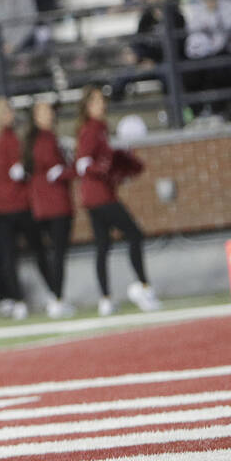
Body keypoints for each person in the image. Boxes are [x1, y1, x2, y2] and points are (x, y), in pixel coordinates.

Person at [74, 87, 160, 316]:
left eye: (102, 101)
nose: (102, 105)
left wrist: (118, 168)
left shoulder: (99, 129)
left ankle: (105, 298)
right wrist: (105, 170)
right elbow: (83, 164)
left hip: (95, 196)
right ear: (87, 106)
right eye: (96, 101)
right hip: (100, 196)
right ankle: (142, 286)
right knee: (134, 234)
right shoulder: (91, 130)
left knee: (103, 246)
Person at [0, 97, 42, 320]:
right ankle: (23, 299)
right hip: (13, 205)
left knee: (9, 256)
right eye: (7, 110)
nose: (12, 114)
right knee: (19, 255)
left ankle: (17, 301)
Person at [25, 101, 75, 318]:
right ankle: (57, 297)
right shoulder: (45, 139)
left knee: (50, 255)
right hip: (55, 204)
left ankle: (55, 296)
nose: (49, 115)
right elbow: (54, 169)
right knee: (58, 254)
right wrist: (70, 170)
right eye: (43, 111)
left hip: (41, 205)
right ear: (35, 117)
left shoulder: (34, 140)